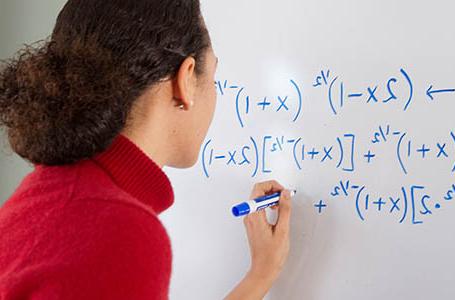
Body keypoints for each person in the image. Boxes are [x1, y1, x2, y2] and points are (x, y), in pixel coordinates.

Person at [0, 0, 292, 299]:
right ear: (186, 78)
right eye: (213, 76)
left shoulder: (42, 201)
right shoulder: (119, 231)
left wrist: (261, 274)